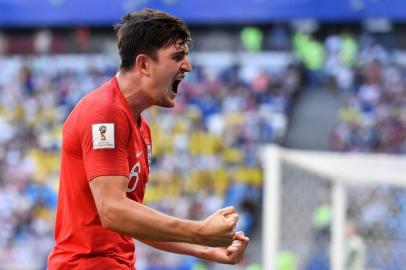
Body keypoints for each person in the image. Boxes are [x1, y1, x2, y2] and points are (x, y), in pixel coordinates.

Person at [47, 9, 249, 270]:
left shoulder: (140, 128)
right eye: (177, 57)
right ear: (143, 64)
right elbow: (113, 211)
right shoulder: (104, 113)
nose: (187, 66)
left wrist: (209, 249)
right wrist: (200, 231)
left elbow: (131, 221)